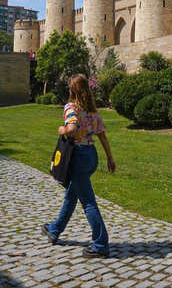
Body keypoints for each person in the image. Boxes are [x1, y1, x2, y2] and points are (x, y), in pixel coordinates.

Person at [41, 74, 116, 258]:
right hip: (91, 156)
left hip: (78, 157)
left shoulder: (70, 108)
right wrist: (110, 159)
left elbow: (72, 128)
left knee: (88, 202)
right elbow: (103, 136)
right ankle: (54, 229)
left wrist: (63, 130)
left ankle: (100, 245)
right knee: (71, 195)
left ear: (72, 89)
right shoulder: (93, 112)